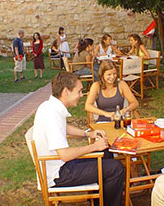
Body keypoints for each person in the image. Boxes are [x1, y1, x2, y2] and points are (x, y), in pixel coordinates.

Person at [32, 72, 124, 206]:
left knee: (106, 152)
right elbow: (65, 155)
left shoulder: (49, 106)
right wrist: (93, 147)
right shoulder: (53, 115)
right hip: (59, 173)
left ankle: (100, 201)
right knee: (116, 168)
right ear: (66, 92)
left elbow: (64, 127)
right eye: (79, 91)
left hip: (58, 166)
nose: (81, 95)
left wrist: (88, 134)